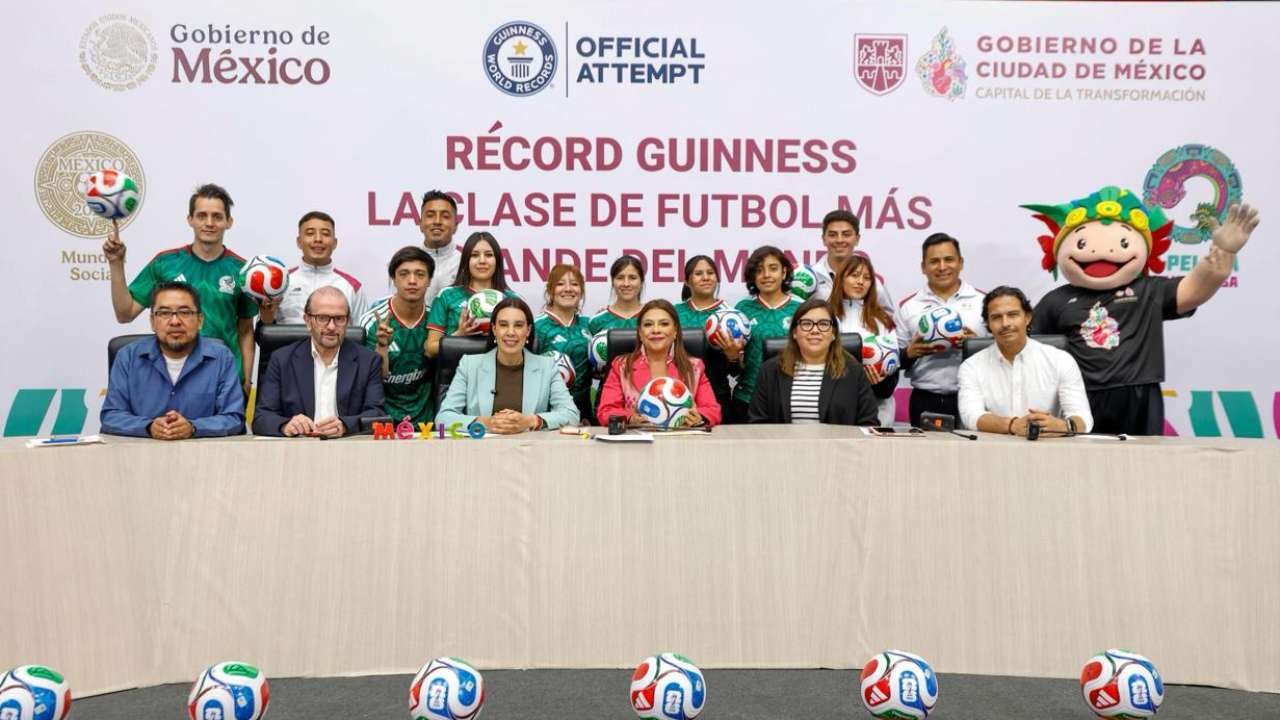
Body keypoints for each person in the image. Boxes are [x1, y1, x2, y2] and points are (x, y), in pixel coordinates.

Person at [1024, 186, 1261, 435]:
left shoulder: (1149, 290)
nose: (1101, 252)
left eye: (1123, 242)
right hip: (1079, 396)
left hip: (1138, 394)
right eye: (1082, 243)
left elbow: (1194, 290)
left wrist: (1223, 252)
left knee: (1144, 456)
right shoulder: (1056, 300)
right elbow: (1031, 348)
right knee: (1082, 456)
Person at [103, 183, 258, 395]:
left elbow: (246, 330)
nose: (209, 223)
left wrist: (246, 380)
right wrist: (116, 263)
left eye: (217, 217)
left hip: (224, 379)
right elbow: (125, 313)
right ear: (190, 219)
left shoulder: (242, 271)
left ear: (228, 222)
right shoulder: (165, 263)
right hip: (171, 378)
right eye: (201, 216)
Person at [101, 281, 245, 438]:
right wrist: (148, 427)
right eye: (164, 313)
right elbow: (111, 416)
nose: (175, 321)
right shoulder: (128, 357)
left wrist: (193, 427)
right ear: (152, 321)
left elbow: (234, 418)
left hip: (201, 451)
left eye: (185, 312)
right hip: (141, 451)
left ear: (200, 320)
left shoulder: (222, 358)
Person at [958, 286, 1092, 436]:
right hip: (994, 446)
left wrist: (1064, 426)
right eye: (996, 317)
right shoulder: (971, 366)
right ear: (988, 324)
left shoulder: (1061, 360)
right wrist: (1012, 425)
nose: (1005, 323)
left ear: (1027, 318)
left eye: (1012, 315)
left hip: (1048, 444)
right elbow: (971, 416)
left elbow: (1083, 417)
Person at [253, 287, 385, 437]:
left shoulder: (368, 361)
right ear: (308, 321)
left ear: (348, 321)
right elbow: (262, 418)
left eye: (339, 319)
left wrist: (345, 425)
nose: (331, 326)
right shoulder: (282, 360)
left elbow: (378, 415)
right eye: (322, 318)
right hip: (299, 446)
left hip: (346, 445)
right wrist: (286, 425)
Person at [435, 297, 580, 433]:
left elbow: (571, 414)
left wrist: (531, 421)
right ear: (494, 329)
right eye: (503, 325)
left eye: (518, 325)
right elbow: (443, 417)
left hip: (529, 448)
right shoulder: (469, 365)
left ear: (528, 331)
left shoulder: (547, 366)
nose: (511, 332)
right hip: (481, 448)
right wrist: (485, 423)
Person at [894, 233, 987, 427]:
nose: (942, 267)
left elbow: (1001, 351)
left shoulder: (984, 302)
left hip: (974, 397)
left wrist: (974, 345)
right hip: (924, 398)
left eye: (949, 259)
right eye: (934, 261)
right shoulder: (909, 307)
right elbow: (895, 360)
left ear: (960, 263)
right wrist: (909, 353)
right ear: (923, 267)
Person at [748, 299, 878, 425]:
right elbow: (757, 422)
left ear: (833, 334)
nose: (815, 330)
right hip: (782, 441)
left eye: (823, 324)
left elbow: (868, 423)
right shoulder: (770, 370)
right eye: (806, 324)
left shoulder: (854, 371)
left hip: (838, 441)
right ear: (794, 332)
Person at [597, 299, 721, 427]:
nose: (656, 330)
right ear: (640, 333)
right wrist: (630, 418)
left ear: (675, 331)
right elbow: (606, 411)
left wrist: (698, 417)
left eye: (664, 324)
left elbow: (712, 410)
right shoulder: (622, 366)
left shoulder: (694, 367)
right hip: (638, 437)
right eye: (648, 324)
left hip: (682, 437)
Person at [361, 247, 435, 426]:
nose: (412, 281)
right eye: (404, 274)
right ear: (393, 279)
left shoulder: (436, 321)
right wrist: (382, 347)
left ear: (429, 280)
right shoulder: (372, 322)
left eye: (420, 274)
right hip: (383, 422)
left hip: (427, 423)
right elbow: (372, 379)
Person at [731, 245, 803, 422]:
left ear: (784, 273)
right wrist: (732, 356)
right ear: (752, 276)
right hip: (747, 398)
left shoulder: (801, 309)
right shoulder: (742, 309)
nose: (766, 275)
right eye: (759, 270)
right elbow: (734, 364)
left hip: (792, 399)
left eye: (773, 268)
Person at [829, 253, 901, 425]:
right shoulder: (825, 315)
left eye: (867, 278)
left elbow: (893, 370)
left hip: (877, 409)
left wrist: (881, 382)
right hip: (834, 407)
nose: (860, 282)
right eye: (854, 275)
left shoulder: (883, 320)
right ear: (841, 278)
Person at [259, 210, 367, 325]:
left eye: (325, 234)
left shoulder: (352, 287)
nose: (318, 239)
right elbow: (263, 330)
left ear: (335, 243)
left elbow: (361, 332)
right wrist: (267, 315)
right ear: (299, 242)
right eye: (310, 233)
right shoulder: (280, 283)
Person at [425, 231, 519, 358]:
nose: (482, 261)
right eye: (474, 255)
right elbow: (430, 350)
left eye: (489, 255)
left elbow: (526, 346)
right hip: (455, 369)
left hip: (499, 369)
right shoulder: (446, 296)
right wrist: (459, 335)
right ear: (466, 261)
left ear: (497, 261)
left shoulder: (512, 300)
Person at [674, 255, 742, 420]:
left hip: (717, 394)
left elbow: (736, 371)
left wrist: (733, 357)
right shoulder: (674, 312)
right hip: (677, 394)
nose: (705, 278)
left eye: (710, 273)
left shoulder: (731, 315)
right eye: (698, 274)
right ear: (687, 281)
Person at [532, 263, 595, 424]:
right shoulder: (536, 327)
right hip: (547, 413)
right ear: (550, 290)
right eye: (560, 284)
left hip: (585, 413)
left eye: (574, 284)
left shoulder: (589, 325)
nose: (568, 289)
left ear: (581, 291)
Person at [811, 209, 895, 315]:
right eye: (833, 235)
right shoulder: (811, 277)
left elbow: (887, 317)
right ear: (824, 239)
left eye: (846, 234)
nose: (839, 240)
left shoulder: (871, 283)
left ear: (857, 239)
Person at [419, 190, 460, 307]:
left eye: (445, 216)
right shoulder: (405, 264)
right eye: (430, 215)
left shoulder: (465, 265)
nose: (437, 221)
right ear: (420, 224)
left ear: (455, 226)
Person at [588, 255, 645, 335]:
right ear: (612, 282)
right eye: (620, 278)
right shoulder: (597, 321)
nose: (626, 284)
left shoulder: (653, 316)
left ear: (641, 282)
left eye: (632, 278)